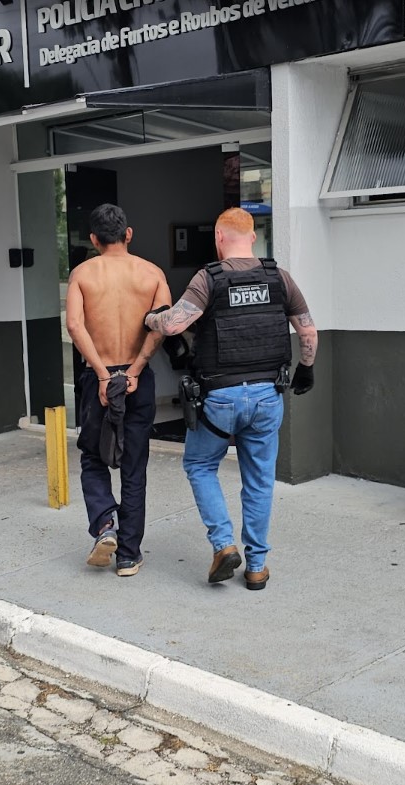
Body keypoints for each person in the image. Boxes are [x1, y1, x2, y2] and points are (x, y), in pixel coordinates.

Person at [144, 207, 318, 591]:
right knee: (259, 480)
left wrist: (152, 318)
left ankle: (223, 545)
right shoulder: (279, 277)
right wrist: (306, 369)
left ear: (219, 237)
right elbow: (308, 332)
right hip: (268, 395)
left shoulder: (209, 278)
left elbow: (174, 324)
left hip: (218, 399)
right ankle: (256, 567)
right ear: (252, 237)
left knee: (200, 465)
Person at [66, 204, 172, 577]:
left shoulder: (82, 274)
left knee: (93, 457)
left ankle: (104, 525)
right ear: (128, 234)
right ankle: (128, 555)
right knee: (134, 464)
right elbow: (162, 325)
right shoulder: (152, 274)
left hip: (98, 377)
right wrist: (136, 369)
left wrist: (101, 374)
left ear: (94, 239)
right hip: (136, 379)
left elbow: (75, 326)